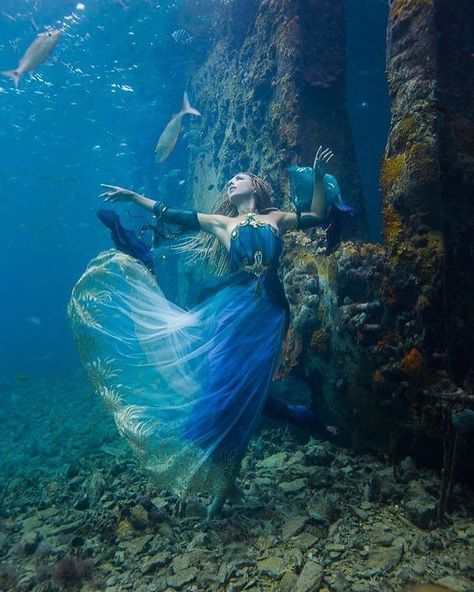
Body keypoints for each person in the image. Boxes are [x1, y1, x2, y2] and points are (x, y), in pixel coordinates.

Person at [68, 147, 333, 519]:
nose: (231, 181)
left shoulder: (277, 216)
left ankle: (227, 478)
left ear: (256, 185)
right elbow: (170, 213)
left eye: (238, 177)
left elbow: (318, 215)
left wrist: (319, 176)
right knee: (222, 389)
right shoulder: (222, 223)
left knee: (247, 396)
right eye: (229, 181)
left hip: (270, 314)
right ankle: (222, 477)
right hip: (232, 312)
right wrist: (133, 198)